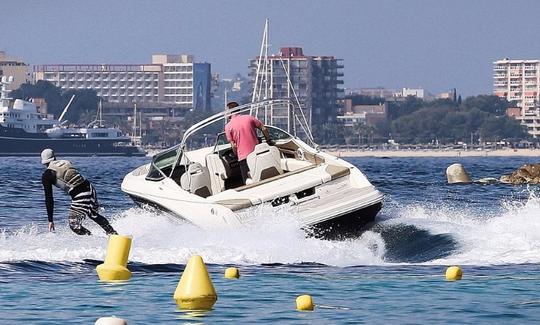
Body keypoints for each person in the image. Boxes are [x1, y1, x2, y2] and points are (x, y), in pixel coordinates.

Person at [40, 148, 117, 235]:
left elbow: (49, 198)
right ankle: (113, 234)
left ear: (44, 162)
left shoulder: (47, 175)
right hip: (90, 188)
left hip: (81, 195)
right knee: (93, 214)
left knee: (74, 224)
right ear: (54, 157)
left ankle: (93, 239)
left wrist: (50, 220)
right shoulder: (66, 162)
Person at [224, 101, 273, 184]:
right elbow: (264, 128)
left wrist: (236, 154)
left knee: (248, 182)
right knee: (263, 177)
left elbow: (233, 145)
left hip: (244, 158)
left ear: (229, 112)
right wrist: (268, 141)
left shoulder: (228, 126)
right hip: (257, 154)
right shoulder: (249, 118)